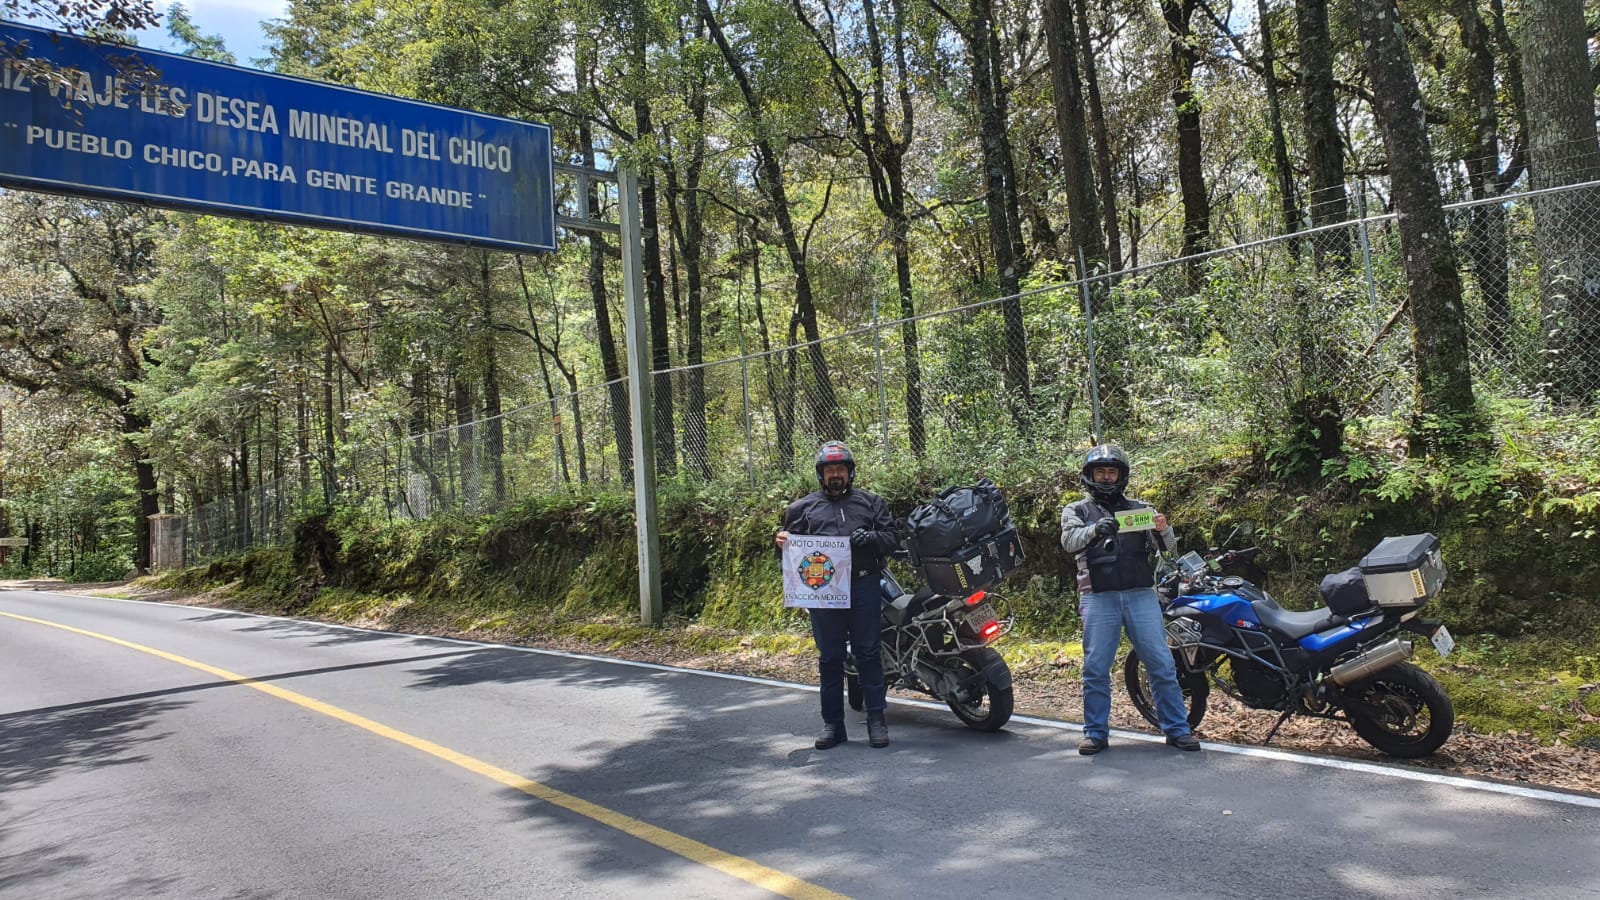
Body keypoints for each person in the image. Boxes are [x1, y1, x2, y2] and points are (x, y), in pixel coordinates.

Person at [1060, 443, 1201, 754]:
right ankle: (1095, 733)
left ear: (1121, 476)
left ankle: (1177, 729)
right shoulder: (1076, 511)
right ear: (1090, 476)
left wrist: (1164, 530)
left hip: (1141, 594)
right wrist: (1096, 529)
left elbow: (1169, 551)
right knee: (1095, 667)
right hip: (1098, 596)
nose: (1107, 478)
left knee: (1162, 663)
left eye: (1112, 472)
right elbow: (1069, 542)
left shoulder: (1141, 509)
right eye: (1101, 472)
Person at [776, 441, 899, 749]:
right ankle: (833, 724)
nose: (835, 475)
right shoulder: (801, 509)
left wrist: (871, 538)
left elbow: (892, 540)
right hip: (823, 594)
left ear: (850, 473)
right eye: (830, 470)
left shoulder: (871, 503)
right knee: (830, 658)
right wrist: (781, 543)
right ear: (821, 474)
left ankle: (876, 720)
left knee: (868, 653)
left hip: (864, 585)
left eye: (840, 470)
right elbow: (789, 558)